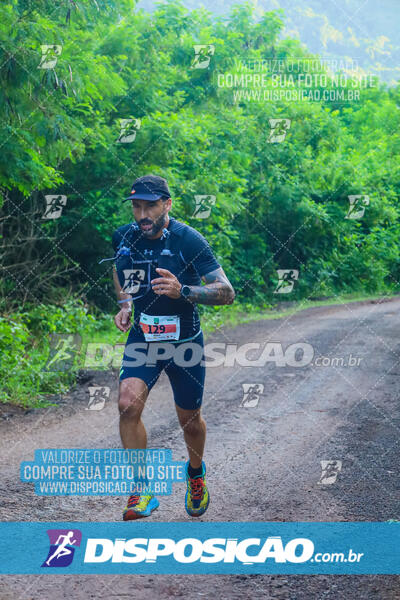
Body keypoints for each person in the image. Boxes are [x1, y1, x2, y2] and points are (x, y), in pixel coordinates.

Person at [111, 174, 235, 520]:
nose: (142, 214)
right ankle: (141, 490)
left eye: (150, 205)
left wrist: (185, 291)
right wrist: (124, 305)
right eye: (137, 206)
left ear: (167, 204)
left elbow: (227, 291)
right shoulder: (124, 237)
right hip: (144, 339)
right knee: (127, 405)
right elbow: (121, 275)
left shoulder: (189, 241)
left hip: (183, 344)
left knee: (190, 421)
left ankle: (195, 474)